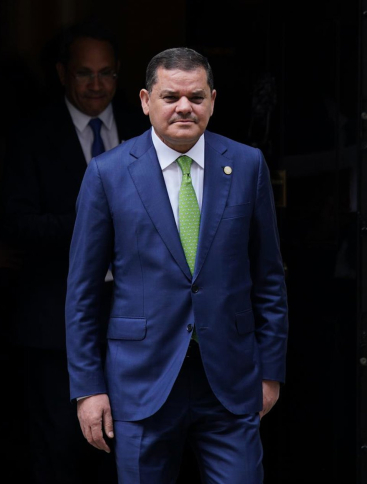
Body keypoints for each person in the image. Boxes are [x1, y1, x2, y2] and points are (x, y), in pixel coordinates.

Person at [65, 47, 289, 483]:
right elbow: (82, 294)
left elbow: (269, 279)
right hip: (140, 382)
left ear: (212, 100)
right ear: (146, 101)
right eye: (171, 97)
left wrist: (270, 371)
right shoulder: (108, 173)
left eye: (196, 97)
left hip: (230, 380)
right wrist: (88, 388)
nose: (184, 107)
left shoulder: (247, 165)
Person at [2, 20, 147, 483]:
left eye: (107, 73)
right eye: (85, 73)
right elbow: (17, 224)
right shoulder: (31, 135)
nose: (97, 85)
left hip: (136, 319)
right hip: (54, 321)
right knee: (59, 450)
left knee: (129, 449)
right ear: (63, 73)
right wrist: (95, 224)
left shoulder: (145, 127)